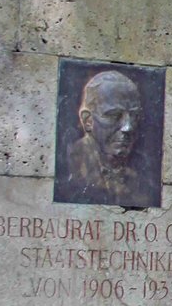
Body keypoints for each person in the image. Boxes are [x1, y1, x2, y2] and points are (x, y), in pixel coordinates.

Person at [57, 69, 156, 207]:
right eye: (114, 115)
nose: (128, 127)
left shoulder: (142, 176)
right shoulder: (68, 165)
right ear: (88, 121)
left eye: (134, 116)